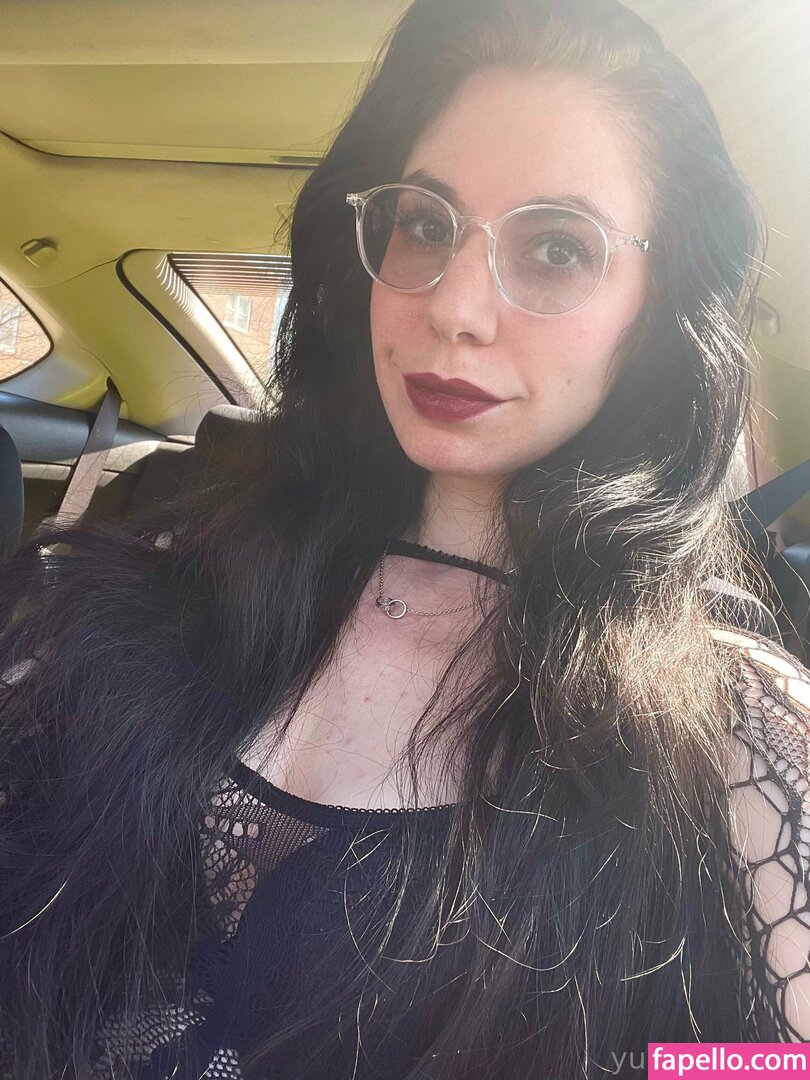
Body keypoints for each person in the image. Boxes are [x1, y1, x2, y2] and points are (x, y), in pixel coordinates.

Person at [2, 0, 809, 1077]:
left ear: (659, 312)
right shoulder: (158, 574)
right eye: (425, 225)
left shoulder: (741, 741)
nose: (455, 306)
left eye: (558, 248)